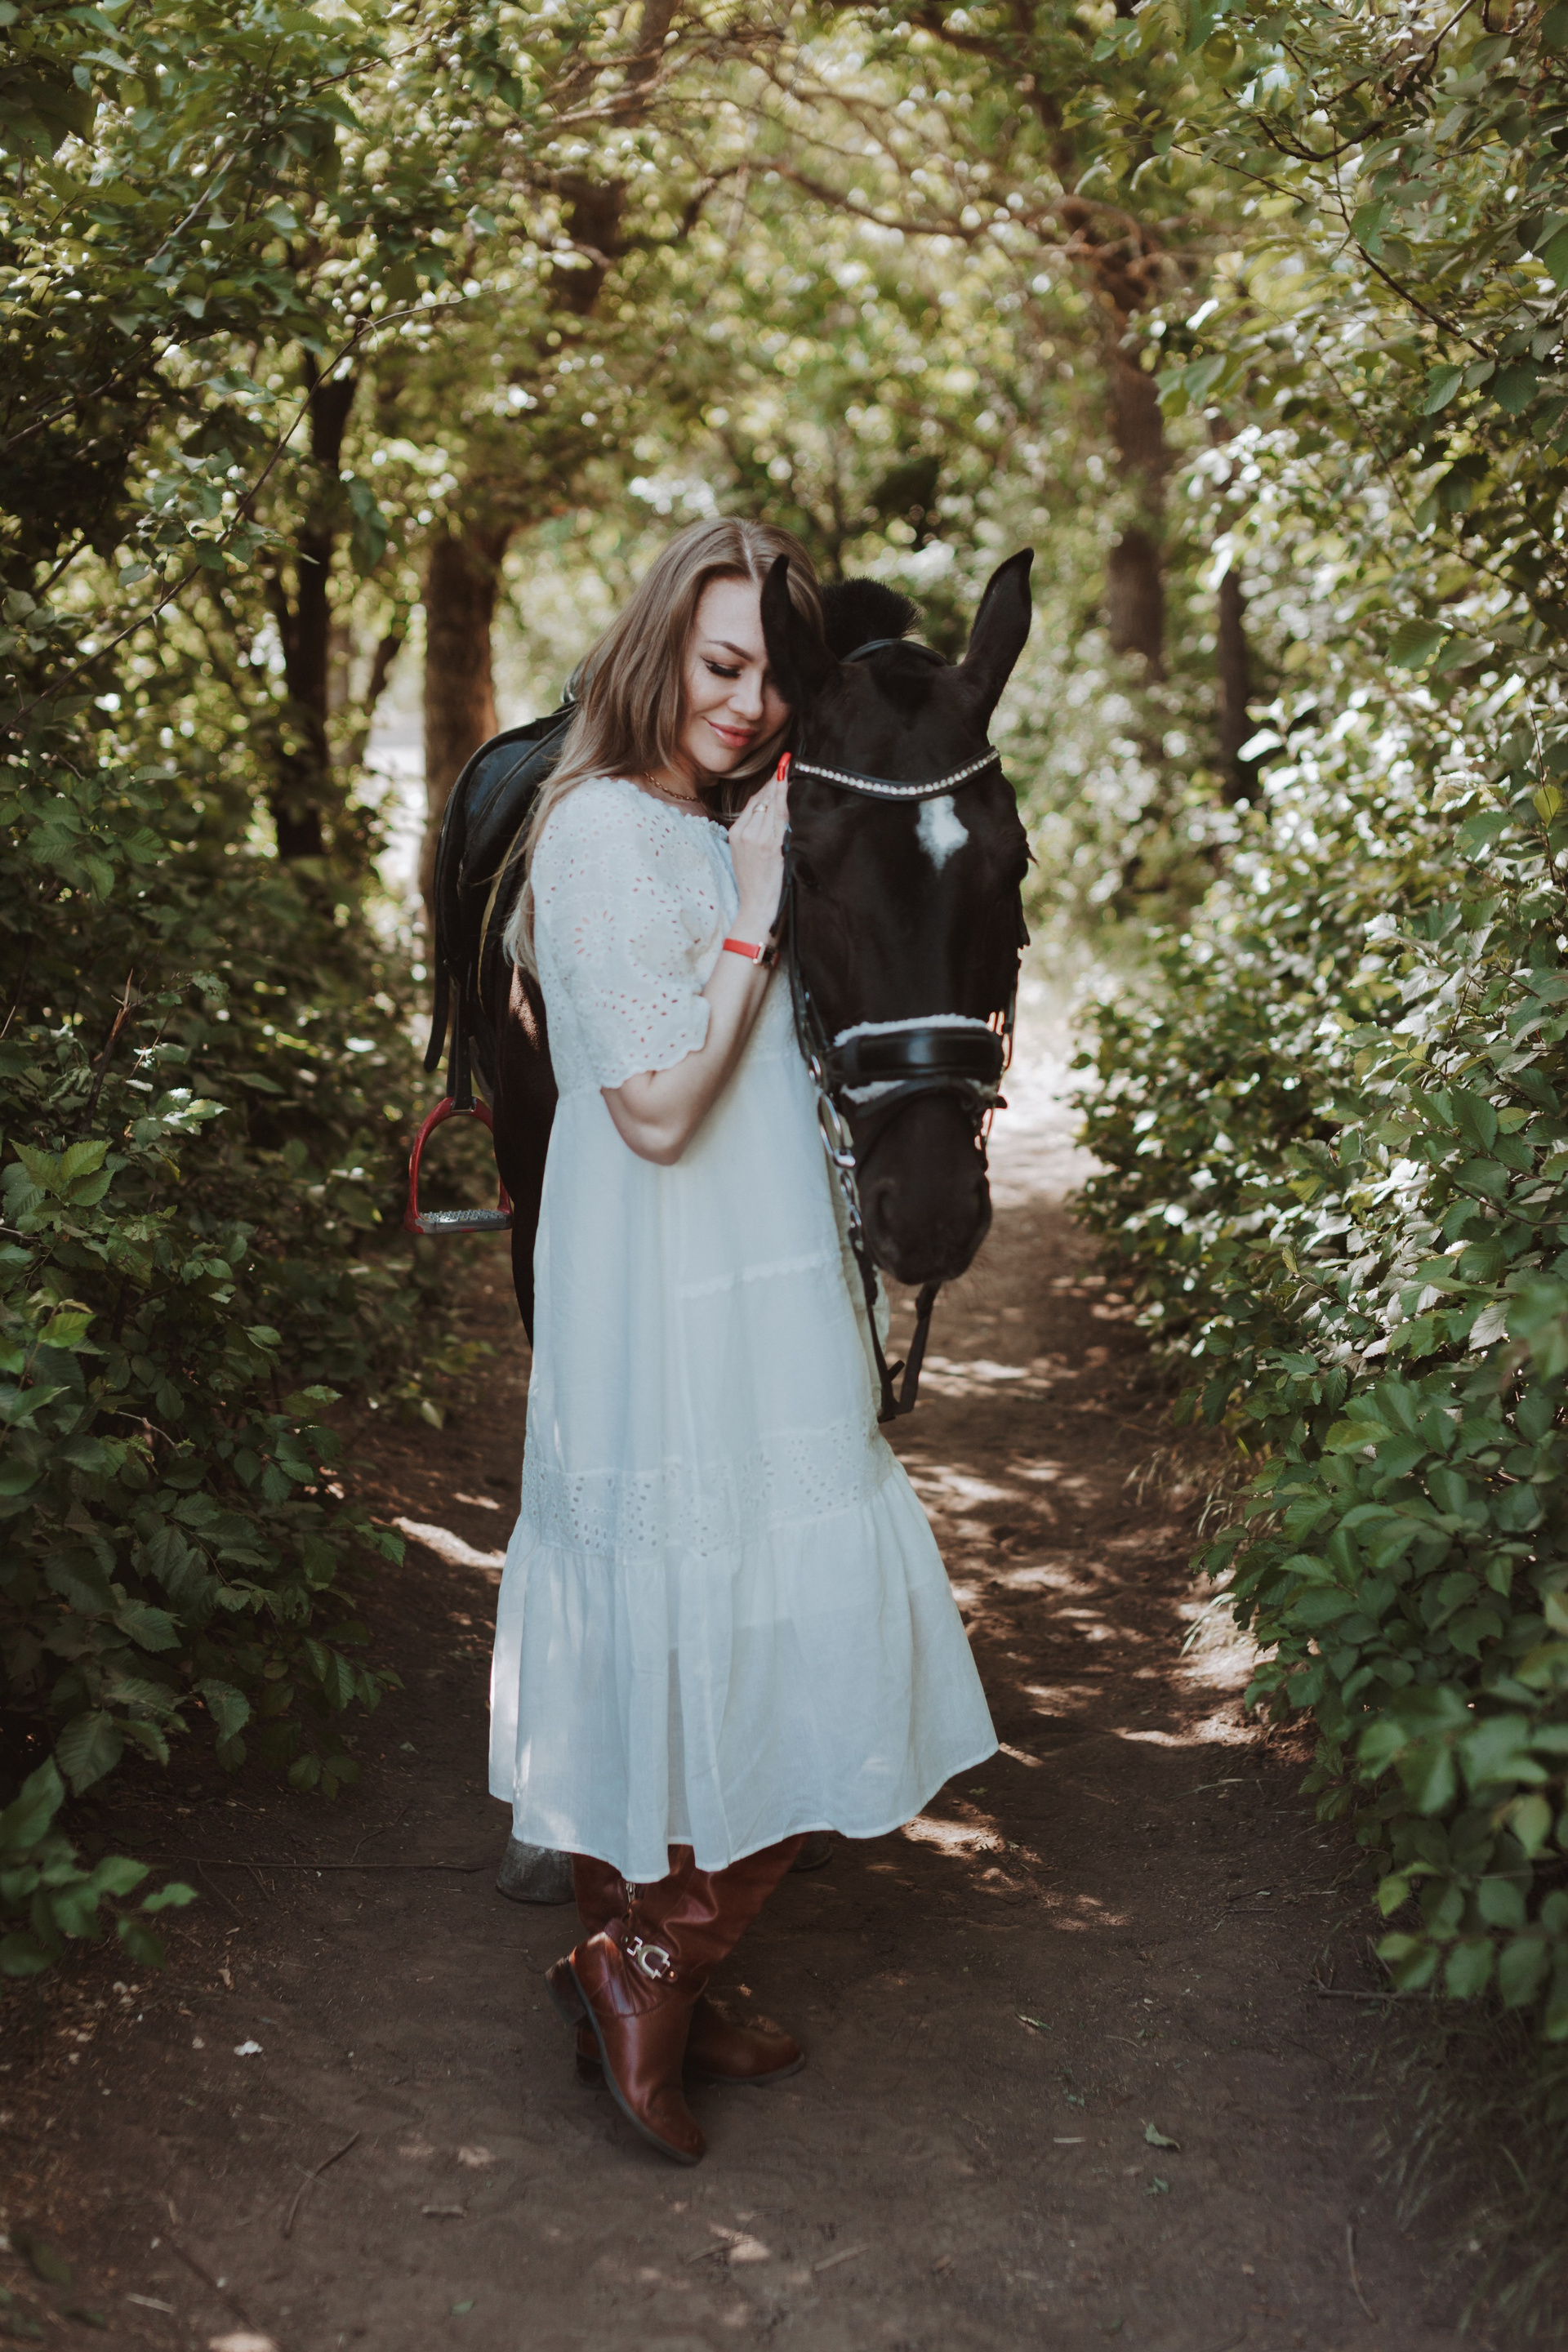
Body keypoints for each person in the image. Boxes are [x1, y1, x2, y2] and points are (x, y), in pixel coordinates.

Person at [488, 516, 996, 2164]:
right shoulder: (594, 832)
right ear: (659, 648)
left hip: (759, 1268)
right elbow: (649, 1111)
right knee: (675, 1612)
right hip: (660, 1279)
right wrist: (753, 907)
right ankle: (649, 1965)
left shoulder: (730, 822)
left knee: (785, 1610)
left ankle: (656, 1967)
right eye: (720, 665)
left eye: (773, 680)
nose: (746, 704)